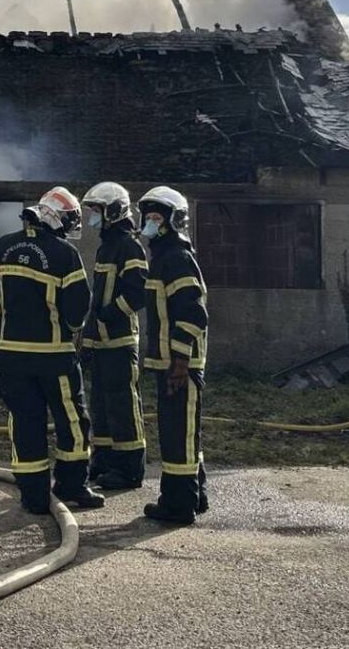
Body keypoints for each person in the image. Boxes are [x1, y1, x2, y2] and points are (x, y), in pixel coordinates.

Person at [0, 187, 104, 514]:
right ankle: (72, 487)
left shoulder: (1, 247)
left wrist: (5, 326)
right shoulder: (64, 254)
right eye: (69, 219)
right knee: (72, 422)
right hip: (55, 358)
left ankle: (33, 497)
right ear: (55, 217)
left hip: (11, 357)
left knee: (24, 423)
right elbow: (77, 311)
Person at [137, 186, 208, 525]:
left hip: (180, 366)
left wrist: (179, 363)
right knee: (183, 432)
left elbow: (193, 315)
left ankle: (178, 507)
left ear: (174, 222)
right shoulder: (164, 258)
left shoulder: (176, 259)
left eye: (157, 218)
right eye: (147, 217)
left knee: (177, 437)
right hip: (169, 363)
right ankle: (196, 495)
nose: (150, 224)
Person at [80, 182, 148, 490]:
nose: (93, 216)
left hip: (120, 341)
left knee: (122, 404)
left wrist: (112, 312)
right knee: (101, 405)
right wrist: (88, 336)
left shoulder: (129, 246)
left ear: (114, 211)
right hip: (100, 340)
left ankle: (130, 467)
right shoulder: (106, 246)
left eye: (97, 210)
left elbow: (138, 292)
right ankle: (104, 460)